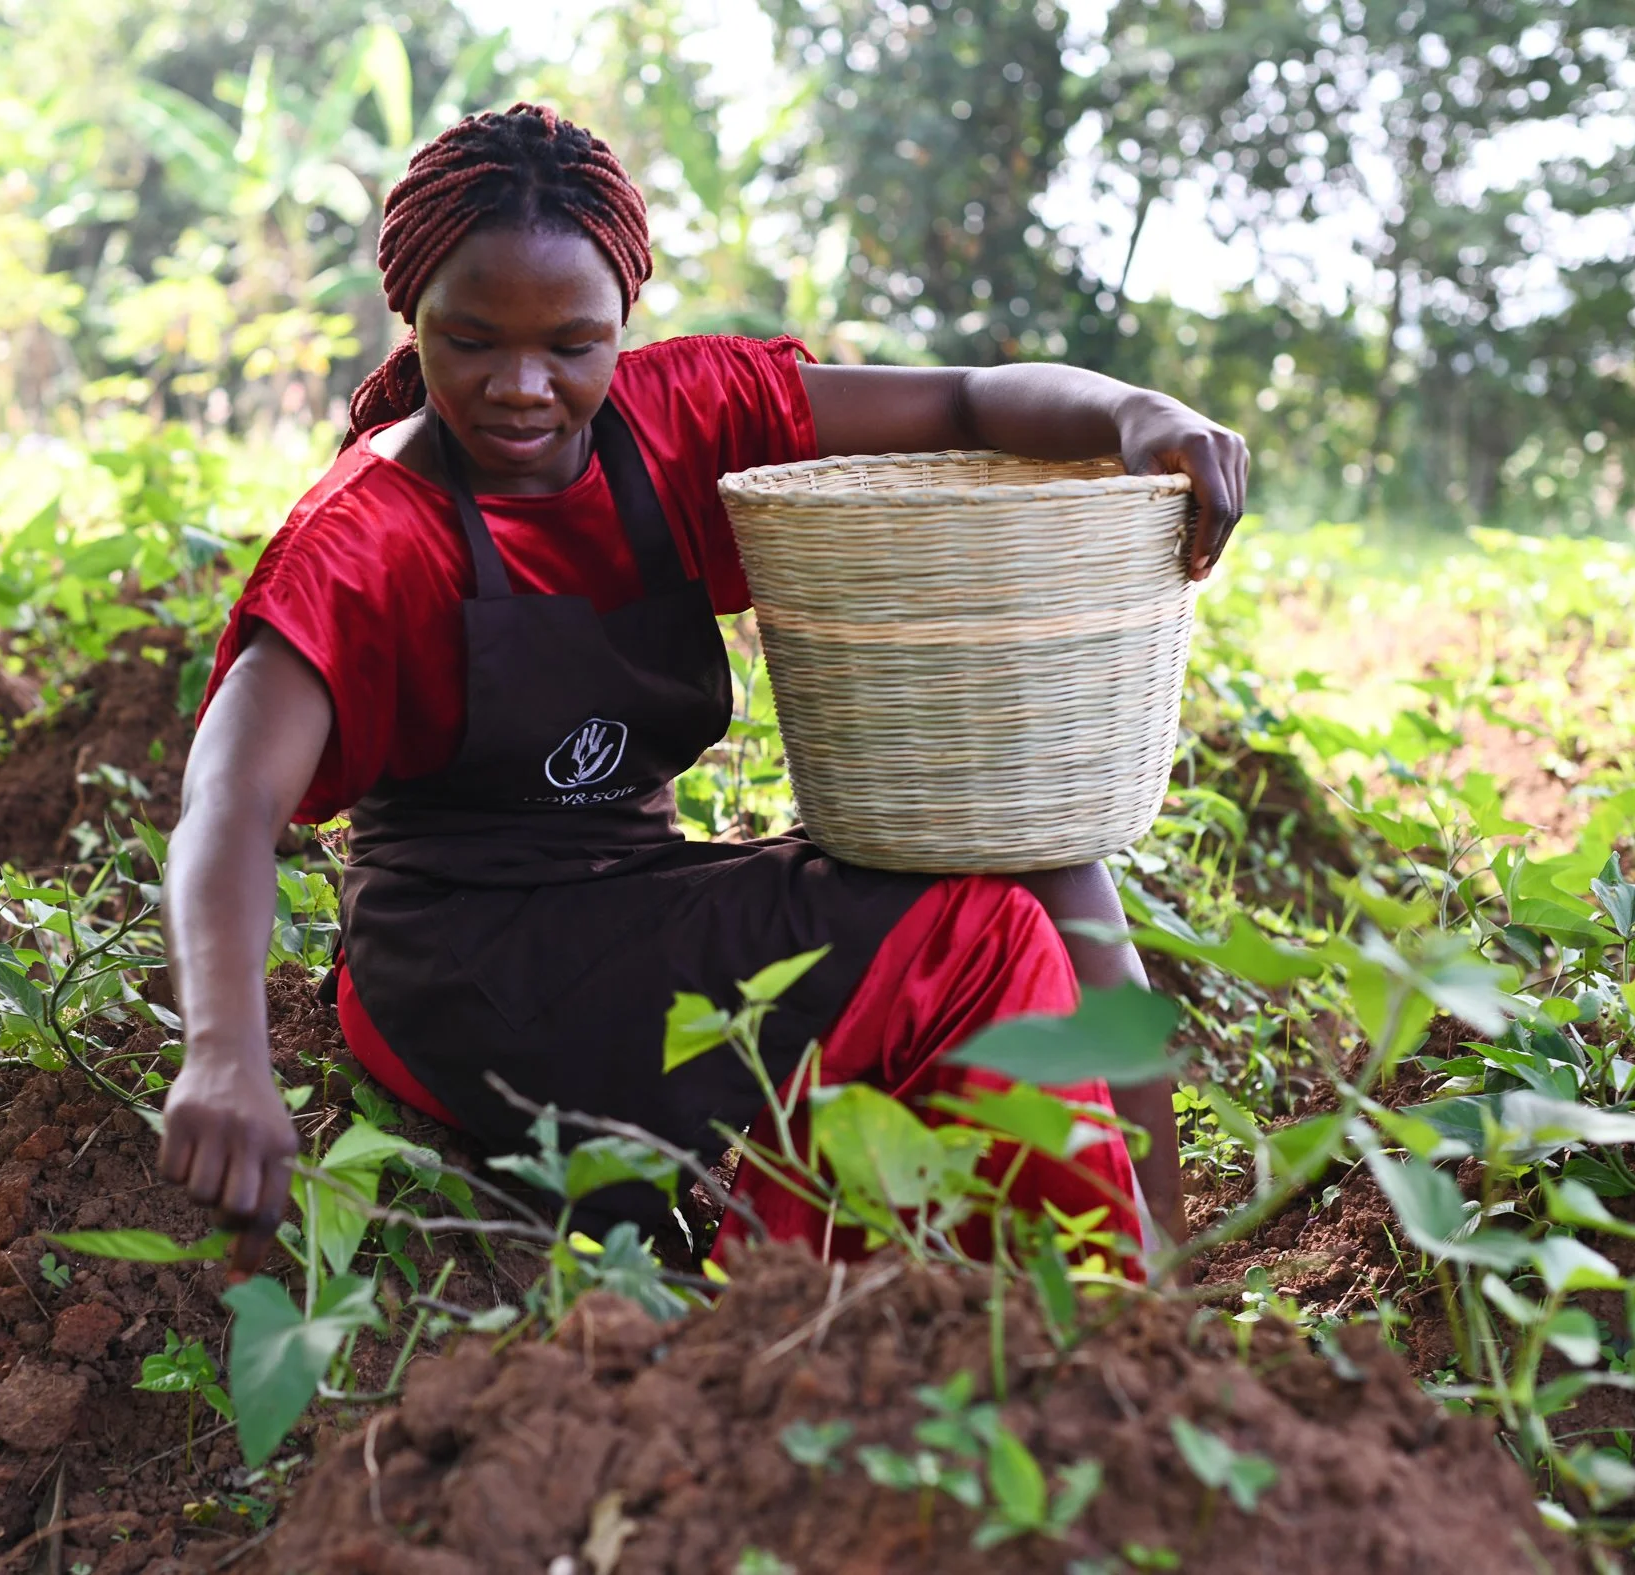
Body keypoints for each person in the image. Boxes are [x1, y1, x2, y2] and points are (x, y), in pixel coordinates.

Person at [157, 104, 1247, 1277]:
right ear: (411, 316)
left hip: (636, 895)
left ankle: (1157, 1279)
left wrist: (1144, 413)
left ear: (621, 323)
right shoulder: (366, 538)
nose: (523, 385)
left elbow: (969, 402)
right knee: (968, 939)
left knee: (1044, 859)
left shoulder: (677, 421)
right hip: (471, 963)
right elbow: (226, 807)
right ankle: (1002, 1303)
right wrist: (224, 1053)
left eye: (572, 345)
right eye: (471, 341)